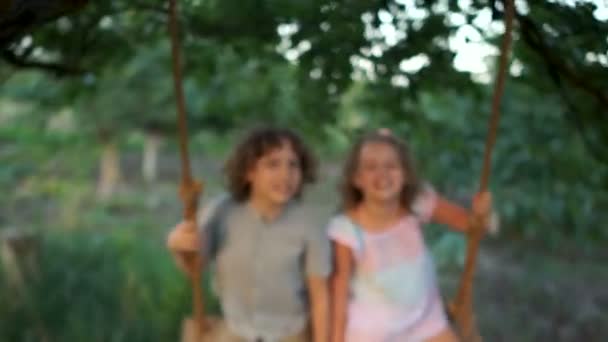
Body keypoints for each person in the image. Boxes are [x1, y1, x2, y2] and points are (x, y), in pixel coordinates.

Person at [329, 131, 495, 342]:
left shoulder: (417, 202)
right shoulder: (347, 228)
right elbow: (339, 292)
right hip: (373, 333)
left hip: (426, 321)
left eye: (391, 166)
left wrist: (482, 213)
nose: (383, 174)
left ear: (405, 174)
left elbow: (470, 226)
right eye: (371, 167)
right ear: (356, 179)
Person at [170, 127, 331, 342]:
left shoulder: (309, 223)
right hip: (235, 332)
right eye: (272, 164)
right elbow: (195, 266)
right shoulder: (221, 211)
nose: (285, 174)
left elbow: (320, 296)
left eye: (293, 165)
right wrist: (177, 244)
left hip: (290, 334)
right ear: (249, 172)